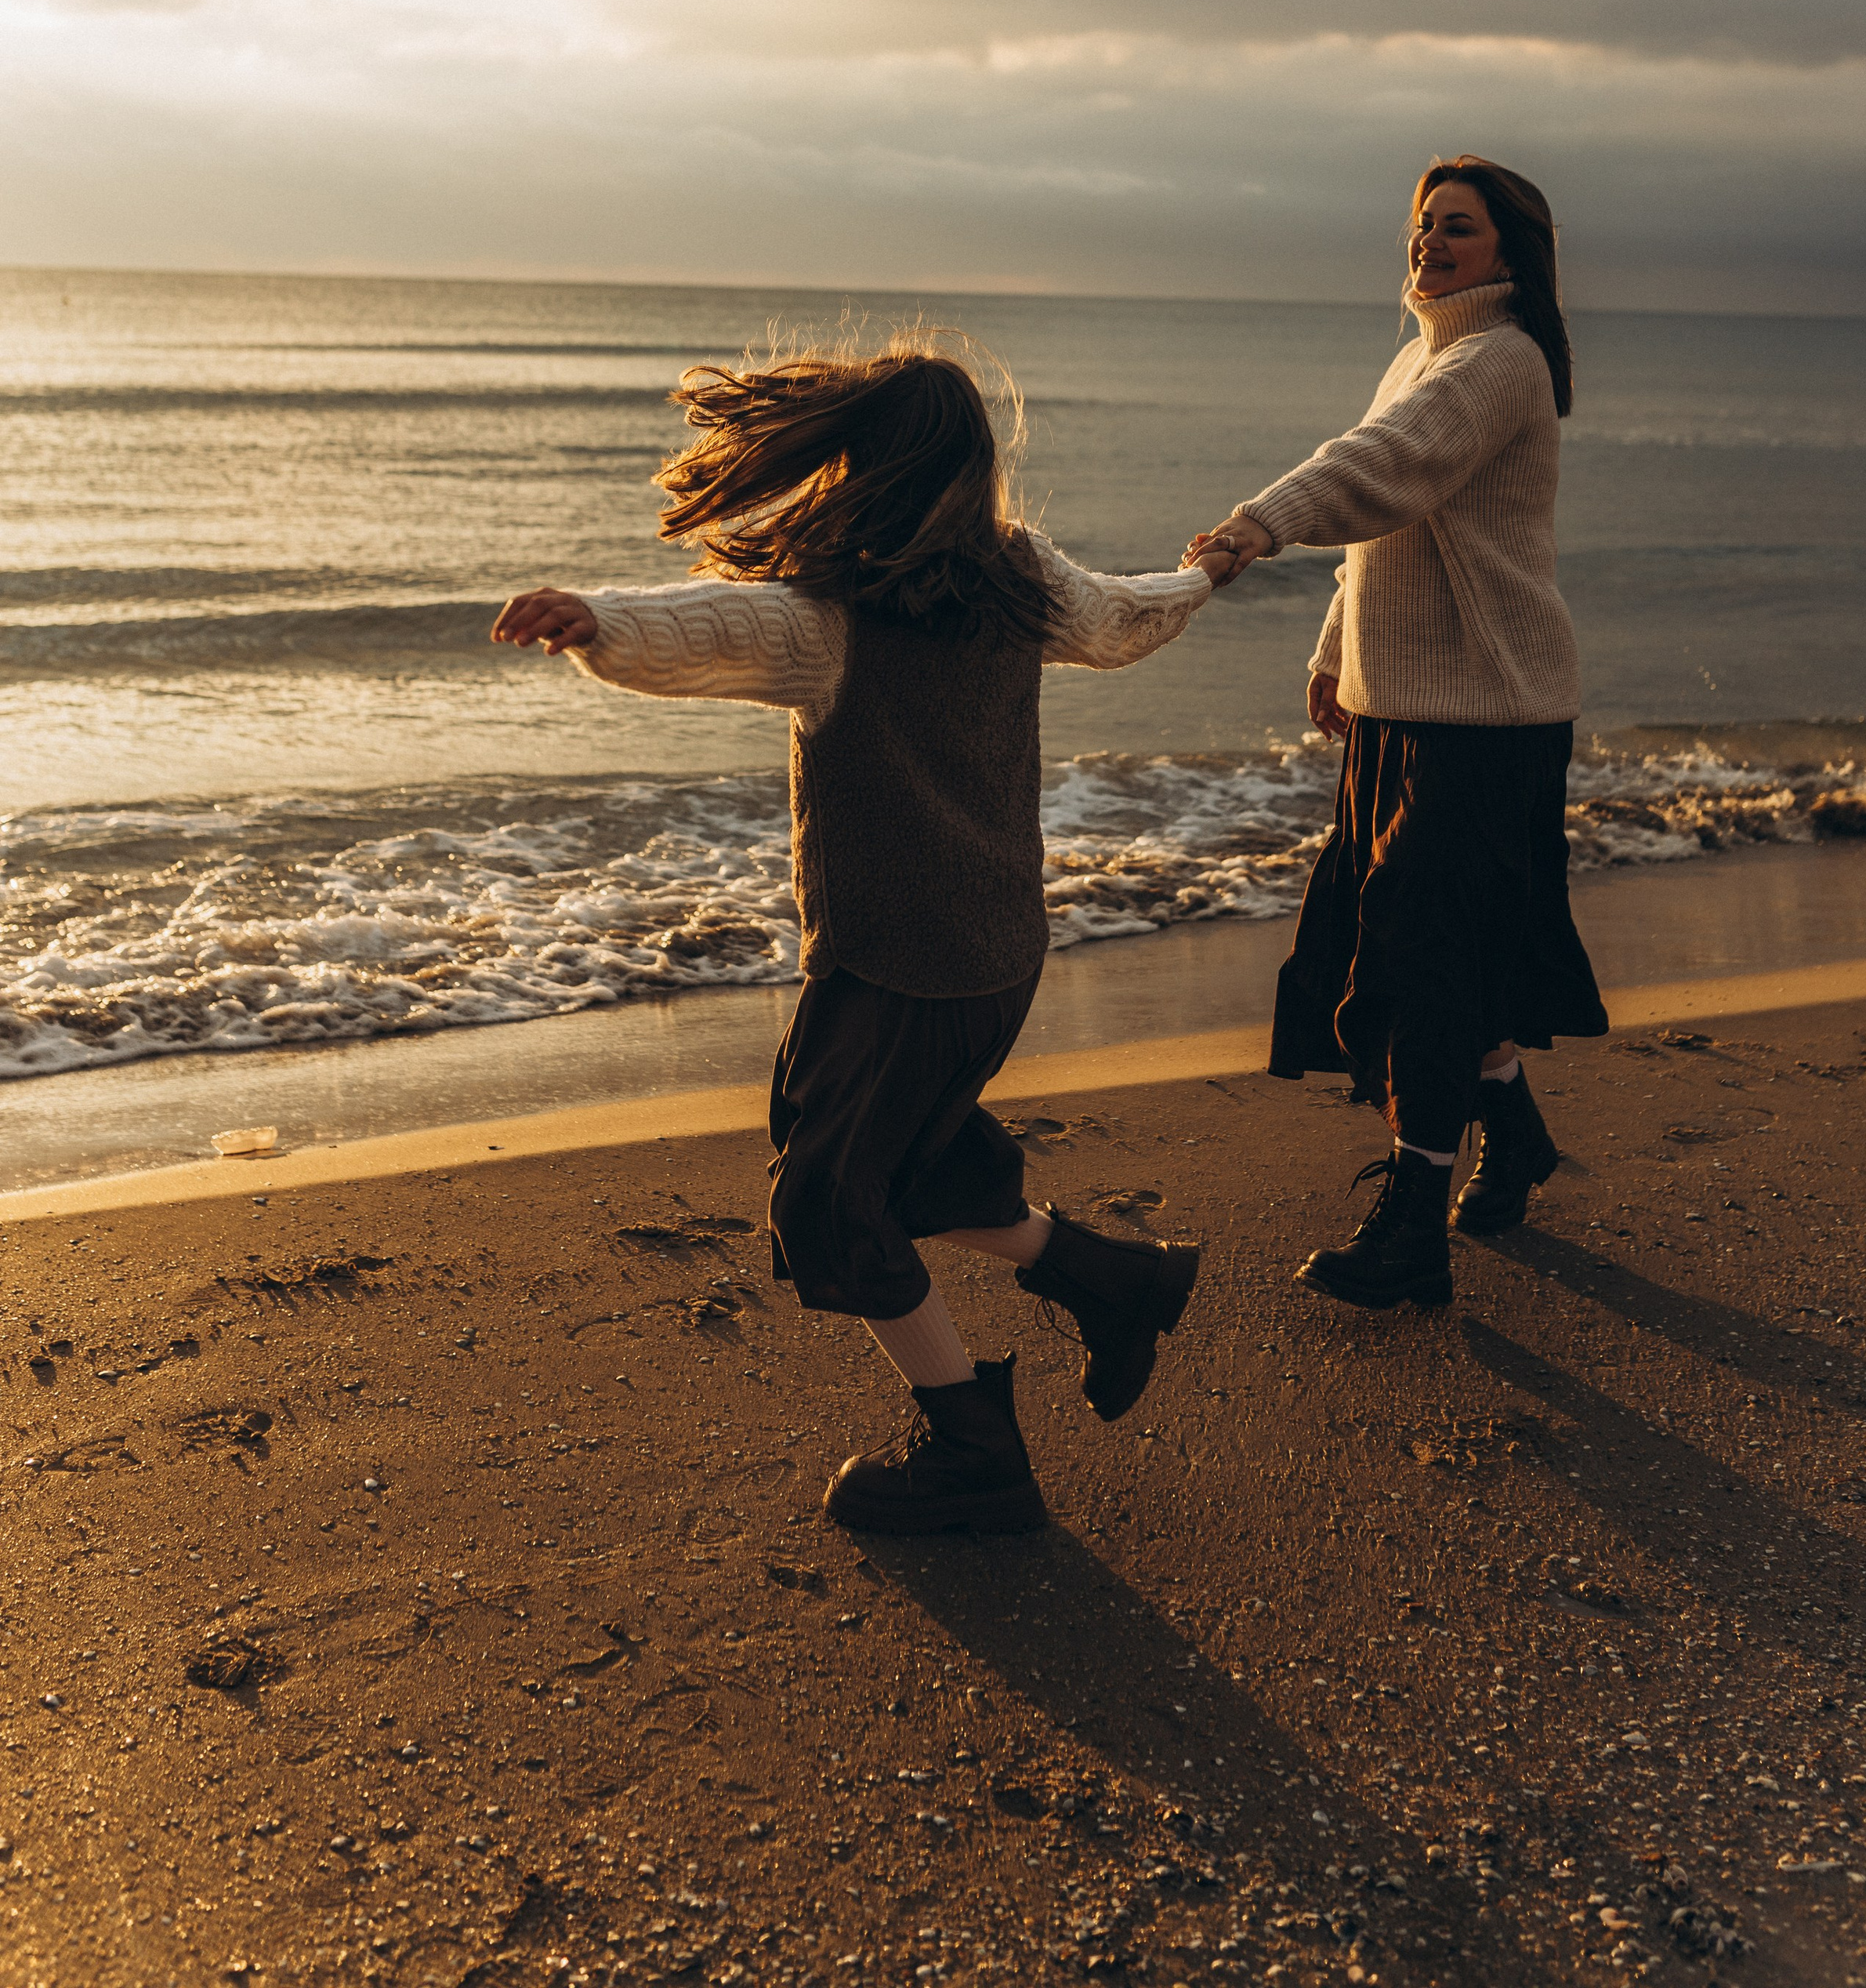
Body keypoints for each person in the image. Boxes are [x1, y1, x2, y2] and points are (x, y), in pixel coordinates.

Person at [495, 338, 1232, 1536]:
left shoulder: (836, 619)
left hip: (896, 963)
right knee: (905, 1168)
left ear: (856, 466)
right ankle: (1118, 1283)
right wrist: (1202, 578)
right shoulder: (1023, 584)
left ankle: (974, 1451)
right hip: (993, 954)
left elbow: (718, 627)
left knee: (833, 1200)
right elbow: (1125, 618)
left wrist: (598, 619)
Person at [1184, 157, 1607, 1313]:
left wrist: (1256, 527)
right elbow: (1393, 525)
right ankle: (1511, 1138)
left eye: (1457, 231)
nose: (1429, 245)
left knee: (1421, 962)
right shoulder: (1425, 355)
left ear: (1510, 254)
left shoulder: (1497, 361)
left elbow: (1386, 465)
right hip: (1406, 708)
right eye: (1423, 227)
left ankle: (1416, 1223)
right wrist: (1337, 654)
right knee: (1436, 950)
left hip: (1488, 713)